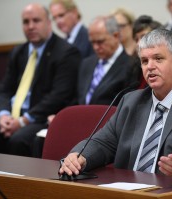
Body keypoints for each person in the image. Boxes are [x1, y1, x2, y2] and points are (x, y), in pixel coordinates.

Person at [59, 29, 172, 182]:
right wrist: (80, 157)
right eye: (144, 61)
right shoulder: (131, 101)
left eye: (158, 58)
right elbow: (104, 142)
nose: (150, 66)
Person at [0, 3, 81, 156]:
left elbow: (59, 96)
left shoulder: (66, 52)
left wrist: (22, 121)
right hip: (11, 116)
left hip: (39, 118)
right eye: (26, 22)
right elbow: (4, 90)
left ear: (48, 22)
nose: (31, 26)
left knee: (18, 140)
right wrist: (3, 115)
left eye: (36, 20)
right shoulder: (18, 51)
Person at [32, 15, 134, 158]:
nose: (96, 47)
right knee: (39, 140)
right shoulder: (87, 63)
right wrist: (61, 116)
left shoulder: (131, 65)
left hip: (106, 131)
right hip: (80, 126)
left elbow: (126, 107)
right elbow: (78, 99)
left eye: (100, 41)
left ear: (116, 36)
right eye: (92, 42)